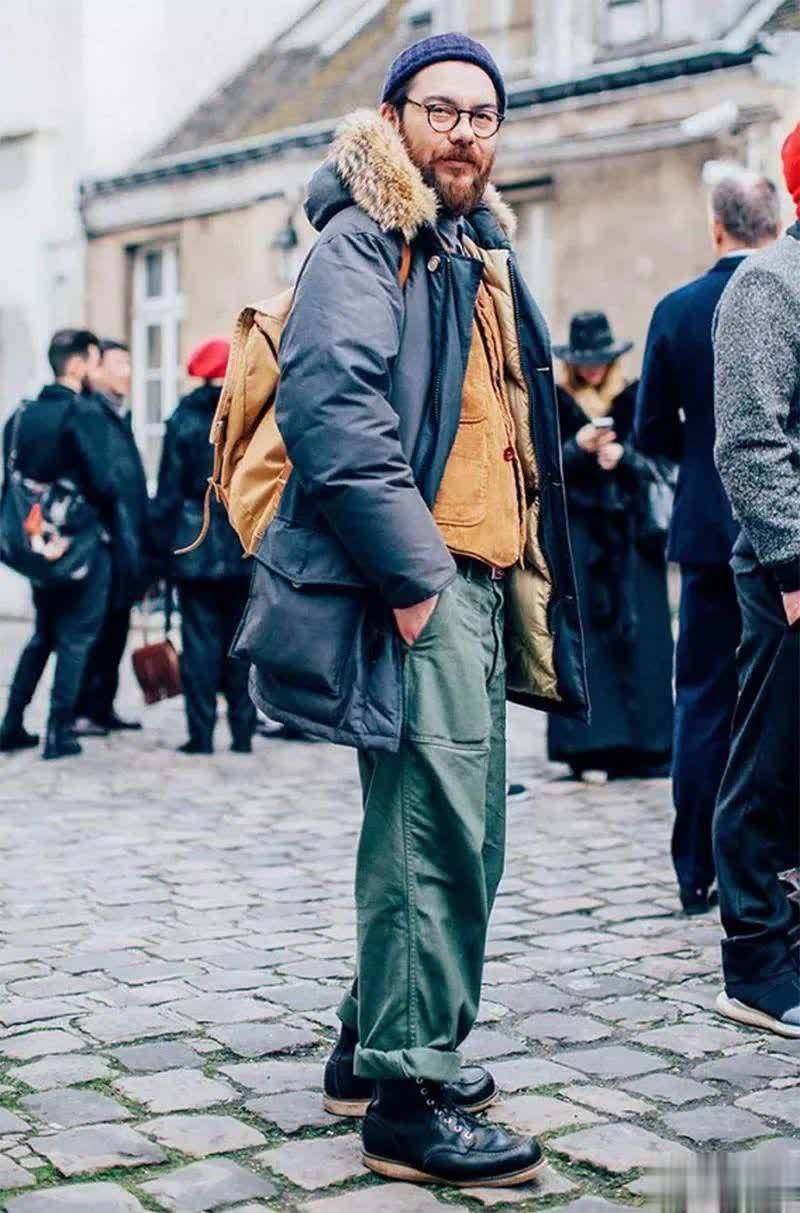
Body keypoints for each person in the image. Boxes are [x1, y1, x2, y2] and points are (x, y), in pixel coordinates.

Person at [241, 33, 587, 1187]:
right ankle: (406, 1096)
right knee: (429, 836)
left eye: (482, 116)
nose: (463, 134)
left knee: (457, 831)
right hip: (423, 585)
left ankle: (366, 1044)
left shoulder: (461, 246)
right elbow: (334, 413)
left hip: (473, 583)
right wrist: (414, 580)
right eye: (441, 111)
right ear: (392, 119)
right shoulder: (363, 239)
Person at [636, 172, 780, 915]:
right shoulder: (785, 293)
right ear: (775, 221)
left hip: (707, 525)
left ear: (716, 227)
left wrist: (698, 457)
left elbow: (651, 429)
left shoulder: (678, 308)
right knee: (777, 701)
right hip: (781, 526)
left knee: (702, 700)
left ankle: (697, 865)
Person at [711, 126, 800, 1039]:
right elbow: (748, 437)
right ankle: (757, 961)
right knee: (769, 767)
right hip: (789, 569)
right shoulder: (769, 284)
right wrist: (792, 563)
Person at [548, 311, 674, 782]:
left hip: (632, 537)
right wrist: (578, 449)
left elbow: (661, 461)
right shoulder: (557, 401)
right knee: (585, 640)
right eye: (585, 361)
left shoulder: (635, 398)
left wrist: (623, 457)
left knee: (644, 639)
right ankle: (589, 746)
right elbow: (542, 469)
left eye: (599, 360)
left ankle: (648, 745)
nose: (593, 369)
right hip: (581, 538)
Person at [0, 330, 114, 760]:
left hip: (35, 545)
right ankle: (58, 732)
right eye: (95, 361)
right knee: (76, 637)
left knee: (43, 634)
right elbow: (104, 481)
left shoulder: (22, 414)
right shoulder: (83, 413)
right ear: (79, 363)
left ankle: (11, 723)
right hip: (79, 545)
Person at [151, 339, 256, 755]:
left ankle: (201, 735)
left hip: (194, 547)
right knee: (240, 644)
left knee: (199, 645)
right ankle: (243, 734)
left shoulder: (183, 418)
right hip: (242, 543)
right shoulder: (250, 415)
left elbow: (168, 492)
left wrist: (160, 551)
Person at [74, 340, 150, 735]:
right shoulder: (91, 415)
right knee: (96, 629)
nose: (128, 372)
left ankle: (102, 707)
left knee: (116, 629)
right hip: (104, 543)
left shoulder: (118, 415)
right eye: (120, 364)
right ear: (96, 370)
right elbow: (106, 484)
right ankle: (83, 709)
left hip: (126, 541)